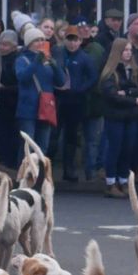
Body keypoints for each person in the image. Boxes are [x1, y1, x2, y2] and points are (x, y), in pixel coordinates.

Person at [99, 38, 138, 198]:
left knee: (128, 149)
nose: (128, 53)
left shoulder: (135, 70)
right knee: (114, 149)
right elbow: (112, 95)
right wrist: (133, 100)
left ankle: (123, 180)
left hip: (131, 117)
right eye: (125, 50)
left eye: (130, 50)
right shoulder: (111, 72)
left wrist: (127, 93)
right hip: (115, 116)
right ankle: (111, 182)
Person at [15, 22, 66, 154]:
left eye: (43, 40)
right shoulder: (22, 59)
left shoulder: (48, 60)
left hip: (46, 108)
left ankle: (41, 174)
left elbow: (61, 82)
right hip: (28, 110)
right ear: (29, 43)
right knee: (28, 147)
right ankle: (25, 173)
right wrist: (37, 61)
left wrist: (54, 65)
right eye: (37, 40)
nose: (41, 43)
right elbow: (23, 78)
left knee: (43, 147)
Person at [56, 26, 97, 182]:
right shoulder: (59, 54)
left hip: (76, 101)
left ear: (80, 41)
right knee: (54, 135)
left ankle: (69, 169)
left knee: (71, 137)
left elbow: (93, 77)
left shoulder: (85, 58)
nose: (72, 43)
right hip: (59, 99)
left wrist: (79, 89)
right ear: (65, 40)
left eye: (75, 40)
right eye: (70, 40)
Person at [76, 18, 107, 181]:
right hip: (74, 101)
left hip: (94, 100)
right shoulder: (68, 49)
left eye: (86, 27)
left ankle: (91, 171)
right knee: (73, 138)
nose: (84, 30)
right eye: (80, 27)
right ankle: (73, 170)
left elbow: (98, 74)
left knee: (93, 139)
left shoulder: (97, 49)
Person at [0, 29, 20, 166]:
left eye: (6, 45)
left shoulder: (17, 60)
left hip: (13, 104)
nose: (2, 47)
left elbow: (20, 84)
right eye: (1, 44)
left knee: (12, 137)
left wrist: (4, 88)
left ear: (14, 46)